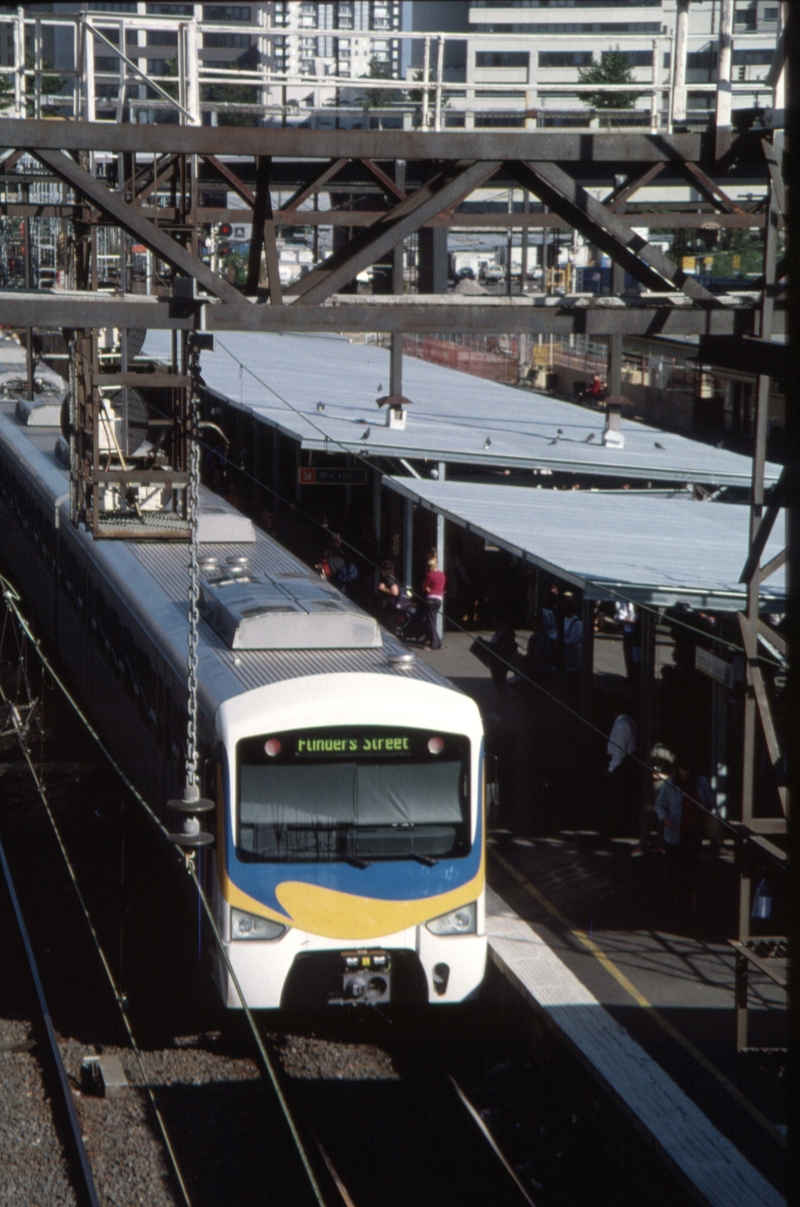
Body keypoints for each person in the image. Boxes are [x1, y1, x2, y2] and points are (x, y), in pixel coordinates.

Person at [654, 758, 714, 916]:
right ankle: (676, 902)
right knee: (674, 868)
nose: (685, 775)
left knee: (692, 869)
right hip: (674, 833)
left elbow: (710, 802)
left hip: (694, 832)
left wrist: (706, 807)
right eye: (682, 771)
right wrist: (664, 818)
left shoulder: (702, 783)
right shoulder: (670, 784)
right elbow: (659, 804)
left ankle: (694, 908)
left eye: (688, 772)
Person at [604, 700, 638, 835]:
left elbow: (619, 751)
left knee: (617, 798)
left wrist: (610, 769)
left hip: (620, 766)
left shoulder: (621, 726)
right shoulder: (630, 722)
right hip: (625, 764)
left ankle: (616, 827)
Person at [421, 556, 446, 650]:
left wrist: (427, 588)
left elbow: (424, 587)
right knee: (433, 620)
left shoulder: (430, 575)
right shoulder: (442, 575)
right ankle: (438, 642)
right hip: (439, 600)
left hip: (431, 598)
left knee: (431, 622)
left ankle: (434, 644)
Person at [376, 558, 401, 634]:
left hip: (388, 606)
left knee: (389, 627)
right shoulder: (392, 578)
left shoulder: (389, 578)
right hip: (390, 606)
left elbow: (395, 592)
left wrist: (383, 589)